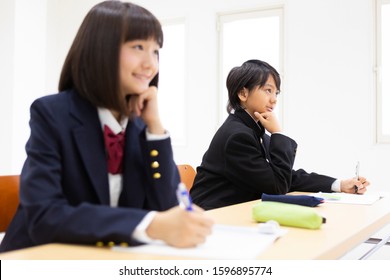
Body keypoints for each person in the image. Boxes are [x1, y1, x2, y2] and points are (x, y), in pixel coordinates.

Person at [0, 0, 213, 253]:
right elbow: (45, 216)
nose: (151, 64)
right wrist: (151, 224)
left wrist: (156, 131)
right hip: (39, 258)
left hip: (109, 258)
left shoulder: (139, 124)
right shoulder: (52, 113)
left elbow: (168, 208)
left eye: (155, 51)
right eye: (138, 47)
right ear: (101, 49)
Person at [190, 59, 370, 210]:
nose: (274, 99)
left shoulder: (253, 130)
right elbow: (277, 186)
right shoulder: (238, 136)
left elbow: (286, 177)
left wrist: (340, 184)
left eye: (276, 93)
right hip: (215, 216)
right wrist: (278, 134)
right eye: (268, 90)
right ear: (243, 93)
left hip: (238, 211)